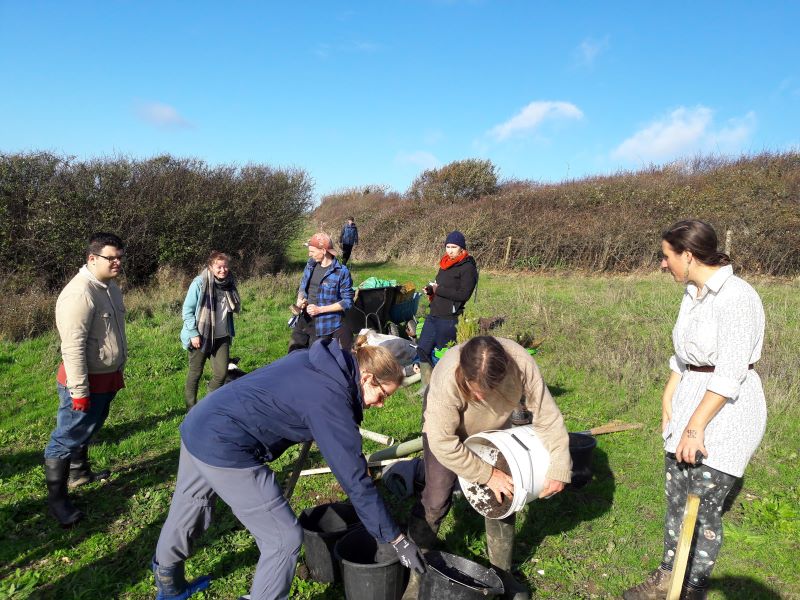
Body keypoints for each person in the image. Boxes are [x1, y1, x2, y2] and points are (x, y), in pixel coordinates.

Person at [151, 337, 425, 600]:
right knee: (284, 537)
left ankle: (169, 584)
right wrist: (396, 538)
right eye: (382, 394)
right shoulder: (329, 399)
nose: (380, 404)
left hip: (201, 420)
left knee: (190, 506)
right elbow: (355, 480)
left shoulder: (325, 361)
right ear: (366, 378)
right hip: (226, 443)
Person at [623, 220, 766, 600]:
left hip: (727, 410)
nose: (662, 264)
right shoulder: (693, 292)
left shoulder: (737, 297)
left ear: (688, 255)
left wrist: (695, 427)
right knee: (676, 497)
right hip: (692, 399)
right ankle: (667, 578)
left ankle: (692, 590)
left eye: (666, 256)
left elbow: (731, 372)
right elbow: (684, 354)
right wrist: (670, 392)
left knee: (702, 509)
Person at [405, 336, 572, 600]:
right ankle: (415, 573)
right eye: (474, 389)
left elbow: (547, 416)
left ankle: (501, 576)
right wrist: (487, 474)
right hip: (447, 432)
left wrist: (560, 465)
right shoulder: (447, 376)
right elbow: (442, 442)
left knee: (504, 495)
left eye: (487, 389)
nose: (480, 396)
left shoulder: (521, 364)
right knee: (437, 497)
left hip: (493, 429)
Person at [43, 232, 127, 527]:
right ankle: (57, 500)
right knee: (66, 437)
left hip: (106, 377)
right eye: (111, 258)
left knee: (89, 426)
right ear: (92, 259)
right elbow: (73, 347)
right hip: (83, 381)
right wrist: (79, 391)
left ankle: (79, 472)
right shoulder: (79, 293)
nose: (117, 262)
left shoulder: (109, 287)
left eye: (120, 257)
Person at [416, 230, 478, 391]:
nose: (450, 250)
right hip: (434, 313)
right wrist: (430, 290)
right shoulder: (445, 263)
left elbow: (464, 294)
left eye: (454, 247)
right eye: (448, 246)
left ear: (462, 248)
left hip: (449, 317)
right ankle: (426, 386)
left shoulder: (468, 267)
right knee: (422, 348)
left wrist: (439, 290)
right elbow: (438, 284)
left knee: (444, 355)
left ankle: (447, 388)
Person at [180, 251, 241, 409]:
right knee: (195, 374)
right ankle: (191, 408)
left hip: (222, 337)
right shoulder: (200, 282)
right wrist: (193, 333)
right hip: (201, 336)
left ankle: (206, 407)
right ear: (211, 267)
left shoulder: (229, 282)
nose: (223, 270)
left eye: (225, 266)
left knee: (221, 374)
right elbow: (187, 310)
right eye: (219, 267)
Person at [289, 232, 355, 352]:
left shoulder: (341, 272)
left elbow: (347, 302)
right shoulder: (310, 265)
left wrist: (319, 309)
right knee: (293, 353)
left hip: (324, 324)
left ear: (324, 251)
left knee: (314, 358)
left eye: (312, 251)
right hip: (304, 319)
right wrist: (301, 299)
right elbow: (303, 287)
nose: (309, 254)